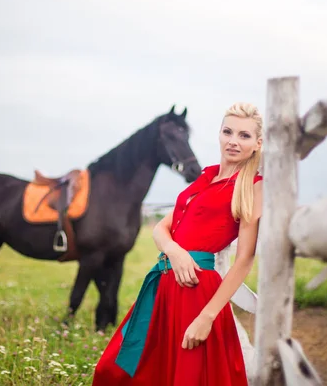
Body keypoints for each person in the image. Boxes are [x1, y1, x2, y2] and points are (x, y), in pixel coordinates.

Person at [92, 102, 264, 386]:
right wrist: (175, 251)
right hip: (164, 285)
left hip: (198, 293)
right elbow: (161, 229)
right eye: (228, 132)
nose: (233, 141)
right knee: (115, 370)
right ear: (219, 134)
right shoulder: (205, 177)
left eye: (244, 136)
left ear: (257, 143)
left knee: (186, 377)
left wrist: (207, 316)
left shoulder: (251, 186)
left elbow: (244, 259)